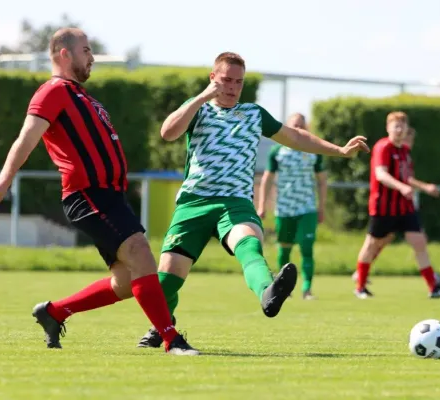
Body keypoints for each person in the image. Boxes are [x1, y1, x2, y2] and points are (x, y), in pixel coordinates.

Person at [0, 27, 198, 355]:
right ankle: (172, 339)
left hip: (110, 196)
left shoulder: (82, 96)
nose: (92, 57)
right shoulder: (52, 91)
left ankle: (54, 312)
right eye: (86, 50)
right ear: (64, 54)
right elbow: (27, 136)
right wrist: (4, 179)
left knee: (125, 283)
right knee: (140, 252)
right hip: (87, 194)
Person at [136, 51, 369, 349]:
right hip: (194, 202)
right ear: (212, 78)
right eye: (226, 80)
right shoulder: (199, 110)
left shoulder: (253, 114)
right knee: (167, 277)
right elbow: (168, 132)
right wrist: (202, 96)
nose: (232, 87)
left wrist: (339, 150)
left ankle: (267, 291)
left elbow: (295, 137)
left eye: (239, 82)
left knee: (249, 242)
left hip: (235, 202)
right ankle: (162, 327)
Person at [353, 112, 440, 299]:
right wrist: (401, 187)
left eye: (402, 126)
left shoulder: (404, 151)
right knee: (372, 244)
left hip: (404, 207)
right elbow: (381, 174)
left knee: (419, 242)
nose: (399, 130)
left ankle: (434, 288)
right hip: (383, 207)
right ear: (388, 128)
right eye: (395, 126)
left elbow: (406, 177)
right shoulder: (383, 147)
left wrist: (424, 187)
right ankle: (360, 287)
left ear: (407, 129)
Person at [257, 113, 327, 300]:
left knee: (306, 247)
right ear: (287, 127)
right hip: (284, 208)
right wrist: (262, 205)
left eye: (302, 126)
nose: (298, 129)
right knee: (284, 248)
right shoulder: (277, 152)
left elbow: (322, 181)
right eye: (295, 125)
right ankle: (284, 289)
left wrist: (321, 207)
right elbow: (267, 179)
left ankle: (307, 289)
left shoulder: (313, 152)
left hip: (307, 208)